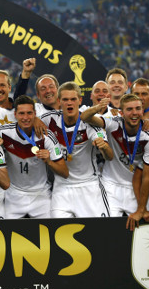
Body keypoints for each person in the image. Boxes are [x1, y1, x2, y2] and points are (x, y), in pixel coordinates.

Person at [40, 82, 113, 218]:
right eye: (65, 99)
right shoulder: (48, 120)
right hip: (61, 187)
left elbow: (109, 157)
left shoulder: (89, 123)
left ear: (79, 100)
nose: (69, 103)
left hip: (89, 187)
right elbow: (26, 121)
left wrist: (104, 147)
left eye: (73, 99)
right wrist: (35, 122)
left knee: (101, 233)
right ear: (58, 101)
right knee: (57, 233)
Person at [0, 95, 69, 219]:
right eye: (21, 113)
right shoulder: (3, 133)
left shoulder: (46, 135)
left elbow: (65, 172)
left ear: (35, 113)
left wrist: (49, 161)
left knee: (49, 233)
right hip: (13, 195)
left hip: (41, 195)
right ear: (15, 114)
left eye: (29, 113)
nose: (25, 118)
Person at [82, 94, 149, 221]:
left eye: (138, 108)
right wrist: (98, 107)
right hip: (110, 186)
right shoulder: (113, 124)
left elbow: (147, 177)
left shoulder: (148, 136)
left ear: (142, 110)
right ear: (121, 113)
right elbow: (85, 117)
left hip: (136, 188)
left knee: (143, 227)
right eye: (129, 109)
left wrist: (141, 209)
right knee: (106, 228)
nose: (134, 113)